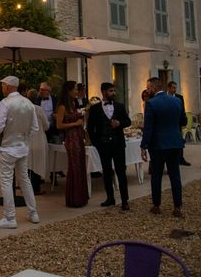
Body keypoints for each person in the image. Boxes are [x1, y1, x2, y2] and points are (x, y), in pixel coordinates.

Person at [0, 76, 40, 228]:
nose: (2, 88)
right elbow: (35, 128)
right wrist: (24, 139)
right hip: (23, 147)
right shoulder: (29, 103)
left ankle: (10, 218)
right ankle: (33, 213)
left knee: (6, 181)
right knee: (24, 179)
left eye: (3, 85)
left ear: (8, 86)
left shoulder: (5, 103)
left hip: (8, 147)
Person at [141, 77, 187, 217]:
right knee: (175, 175)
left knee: (156, 176)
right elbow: (183, 120)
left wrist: (144, 145)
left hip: (158, 145)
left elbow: (148, 127)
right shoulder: (177, 101)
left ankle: (156, 205)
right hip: (175, 143)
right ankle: (177, 206)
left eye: (148, 87)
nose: (147, 90)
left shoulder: (151, 103)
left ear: (154, 87)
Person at [87, 82, 132, 210]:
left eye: (114, 90)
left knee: (121, 172)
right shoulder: (95, 109)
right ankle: (110, 198)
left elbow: (128, 121)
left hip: (118, 145)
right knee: (106, 173)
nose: (114, 93)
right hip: (104, 146)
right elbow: (91, 128)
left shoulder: (120, 106)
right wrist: (97, 144)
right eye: (111, 91)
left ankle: (125, 200)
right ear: (104, 92)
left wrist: (119, 123)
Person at [55, 80, 88, 208]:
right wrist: (75, 123)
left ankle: (81, 197)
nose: (77, 91)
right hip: (71, 139)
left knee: (80, 165)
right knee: (74, 167)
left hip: (78, 137)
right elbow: (59, 125)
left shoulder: (73, 104)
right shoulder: (62, 106)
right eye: (75, 89)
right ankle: (74, 198)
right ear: (68, 91)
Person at [26, 89, 49, 195]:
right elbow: (46, 126)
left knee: (28, 165)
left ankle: (27, 187)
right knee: (37, 165)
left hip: (27, 141)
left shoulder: (24, 109)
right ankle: (36, 189)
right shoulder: (39, 109)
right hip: (39, 140)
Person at [167, 81, 191, 166]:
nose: (175, 89)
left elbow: (182, 111)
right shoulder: (165, 97)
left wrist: (183, 122)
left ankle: (181, 158)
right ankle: (171, 159)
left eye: (175, 88)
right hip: (167, 123)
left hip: (177, 123)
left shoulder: (179, 97)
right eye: (173, 87)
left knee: (179, 141)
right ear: (169, 88)